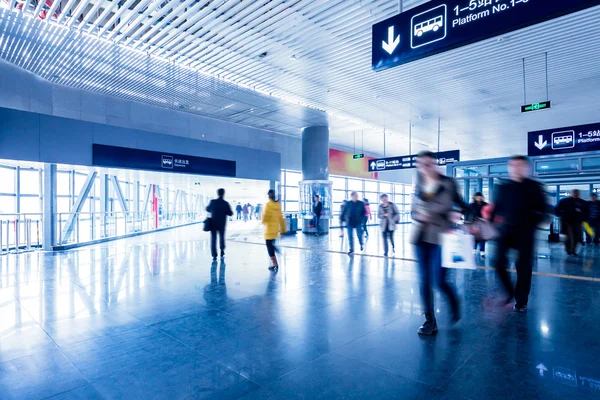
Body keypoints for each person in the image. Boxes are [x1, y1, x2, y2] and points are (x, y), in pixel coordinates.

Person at [411, 151, 462, 335]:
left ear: (435, 164)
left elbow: (461, 205)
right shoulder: (419, 186)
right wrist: (418, 215)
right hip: (421, 237)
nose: (426, 168)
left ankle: (454, 302)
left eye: (429, 164)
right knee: (424, 280)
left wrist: (455, 213)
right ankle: (429, 320)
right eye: (422, 164)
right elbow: (413, 211)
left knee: (439, 281)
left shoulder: (448, 183)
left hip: (442, 236)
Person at [492, 155, 548, 313]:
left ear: (526, 168)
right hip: (506, 231)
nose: (516, 168)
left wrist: (532, 224)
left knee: (523, 267)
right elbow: (496, 208)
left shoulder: (535, 187)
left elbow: (544, 211)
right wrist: (490, 224)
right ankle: (509, 291)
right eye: (513, 165)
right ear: (509, 168)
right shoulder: (503, 187)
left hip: (525, 232)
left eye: (520, 165)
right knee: (497, 262)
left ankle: (521, 300)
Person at [555, 189, 587, 256]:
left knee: (577, 236)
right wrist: (561, 215)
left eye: (577, 193)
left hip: (577, 221)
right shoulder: (564, 201)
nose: (576, 194)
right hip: (567, 221)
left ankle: (573, 250)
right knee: (569, 236)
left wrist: (583, 217)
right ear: (571, 193)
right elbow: (556, 210)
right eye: (575, 193)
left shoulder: (582, 202)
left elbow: (586, 211)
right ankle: (569, 250)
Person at [206, 188, 233, 261]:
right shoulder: (225, 203)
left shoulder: (213, 202)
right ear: (224, 194)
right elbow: (230, 213)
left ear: (217, 193)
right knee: (221, 237)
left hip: (213, 223)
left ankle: (214, 255)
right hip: (222, 224)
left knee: (213, 238)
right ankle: (222, 251)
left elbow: (207, 209)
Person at [262, 189, 286, 270]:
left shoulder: (268, 205)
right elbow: (281, 218)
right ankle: (275, 259)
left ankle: (274, 263)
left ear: (269, 196)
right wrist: (283, 229)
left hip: (269, 231)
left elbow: (265, 218)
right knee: (271, 245)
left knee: (269, 247)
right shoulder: (277, 205)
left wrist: (263, 220)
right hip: (275, 230)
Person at [470, 192, 488, 258]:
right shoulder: (471, 205)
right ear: (475, 197)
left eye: (480, 196)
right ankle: (474, 250)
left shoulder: (486, 205)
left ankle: (482, 252)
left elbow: (489, 213)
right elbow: (468, 213)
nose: (479, 198)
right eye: (477, 196)